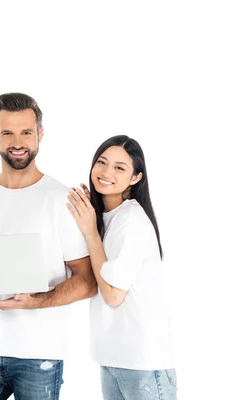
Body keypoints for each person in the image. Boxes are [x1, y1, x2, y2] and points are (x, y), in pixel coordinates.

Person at [0, 92, 97, 400]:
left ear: (40, 133)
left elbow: (88, 281)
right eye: (8, 133)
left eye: (26, 132)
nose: (18, 141)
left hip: (38, 354)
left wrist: (37, 301)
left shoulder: (62, 200)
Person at [67, 135, 176, 399]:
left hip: (142, 362)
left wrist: (91, 233)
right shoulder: (105, 217)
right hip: (113, 359)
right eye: (101, 162)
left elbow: (113, 295)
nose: (106, 172)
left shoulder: (131, 221)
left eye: (119, 168)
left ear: (136, 177)